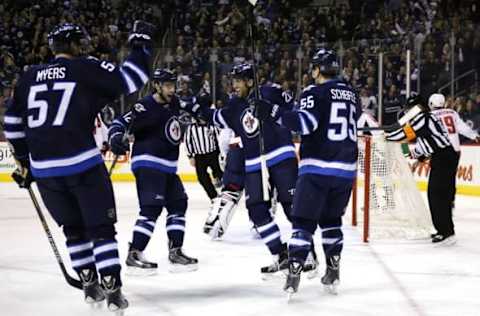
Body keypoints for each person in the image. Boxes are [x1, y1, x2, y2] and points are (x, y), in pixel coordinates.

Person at [3, 21, 154, 311]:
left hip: (45, 170)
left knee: (73, 230)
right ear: (74, 45)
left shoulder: (28, 76)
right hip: (81, 164)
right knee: (101, 229)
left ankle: (89, 285)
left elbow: (12, 123)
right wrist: (141, 46)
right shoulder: (85, 68)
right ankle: (111, 287)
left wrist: (25, 162)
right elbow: (132, 78)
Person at [181, 63, 303, 277]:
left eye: (238, 81)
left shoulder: (270, 91)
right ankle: (281, 256)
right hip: (255, 162)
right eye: (233, 81)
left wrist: (270, 108)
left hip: (281, 155)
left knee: (291, 207)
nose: (234, 85)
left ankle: (307, 255)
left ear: (249, 81)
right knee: (256, 211)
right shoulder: (234, 105)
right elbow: (214, 117)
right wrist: (192, 106)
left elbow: (294, 113)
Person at [255, 48, 360, 296]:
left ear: (316, 70)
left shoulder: (315, 91)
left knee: (302, 222)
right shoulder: (352, 94)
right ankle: (333, 271)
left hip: (318, 169)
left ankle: (293, 275)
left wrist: (272, 113)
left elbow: (305, 124)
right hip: (346, 171)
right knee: (331, 221)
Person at [108, 68, 198, 275]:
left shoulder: (173, 102)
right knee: (151, 209)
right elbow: (119, 122)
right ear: (156, 86)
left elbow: (190, 108)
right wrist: (115, 138)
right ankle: (134, 253)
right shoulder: (144, 106)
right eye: (167, 85)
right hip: (148, 163)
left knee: (178, 203)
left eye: (173, 85)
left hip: (167, 166)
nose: (171, 89)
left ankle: (175, 251)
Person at [386, 94, 456, 245]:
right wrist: (408, 150)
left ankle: (446, 232)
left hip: (444, 158)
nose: (408, 112)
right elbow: (420, 146)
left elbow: (405, 133)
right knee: (439, 196)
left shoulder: (422, 118)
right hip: (444, 158)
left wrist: (387, 136)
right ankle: (445, 230)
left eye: (410, 109)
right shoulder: (427, 119)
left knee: (437, 195)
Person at [184, 116, 223, 201]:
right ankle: (214, 196)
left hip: (213, 154)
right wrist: (190, 156)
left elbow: (219, 139)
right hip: (199, 156)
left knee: (220, 173)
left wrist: (221, 153)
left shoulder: (212, 126)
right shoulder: (191, 127)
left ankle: (226, 193)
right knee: (202, 178)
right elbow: (187, 142)